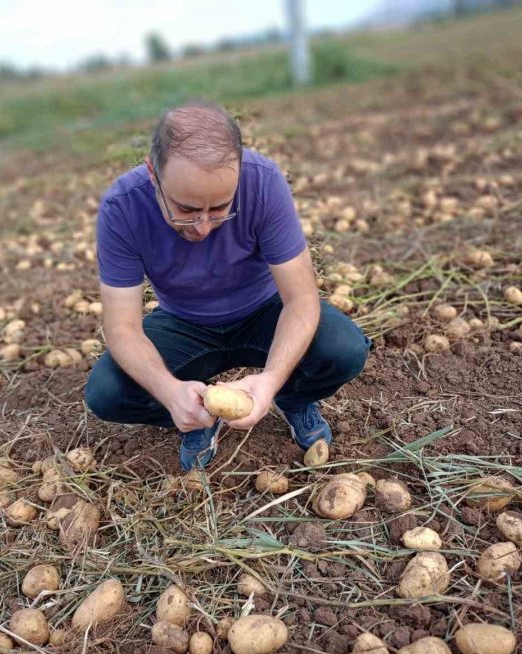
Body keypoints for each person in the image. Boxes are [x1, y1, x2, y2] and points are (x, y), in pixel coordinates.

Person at [85, 100, 371, 471]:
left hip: (263, 311)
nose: (203, 227)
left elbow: (301, 300)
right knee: (107, 393)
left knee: (343, 349)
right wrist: (170, 393)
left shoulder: (263, 182)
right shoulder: (122, 208)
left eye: (220, 208)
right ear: (153, 173)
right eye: (186, 210)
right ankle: (195, 416)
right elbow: (121, 327)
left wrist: (271, 380)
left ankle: (294, 398)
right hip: (184, 324)